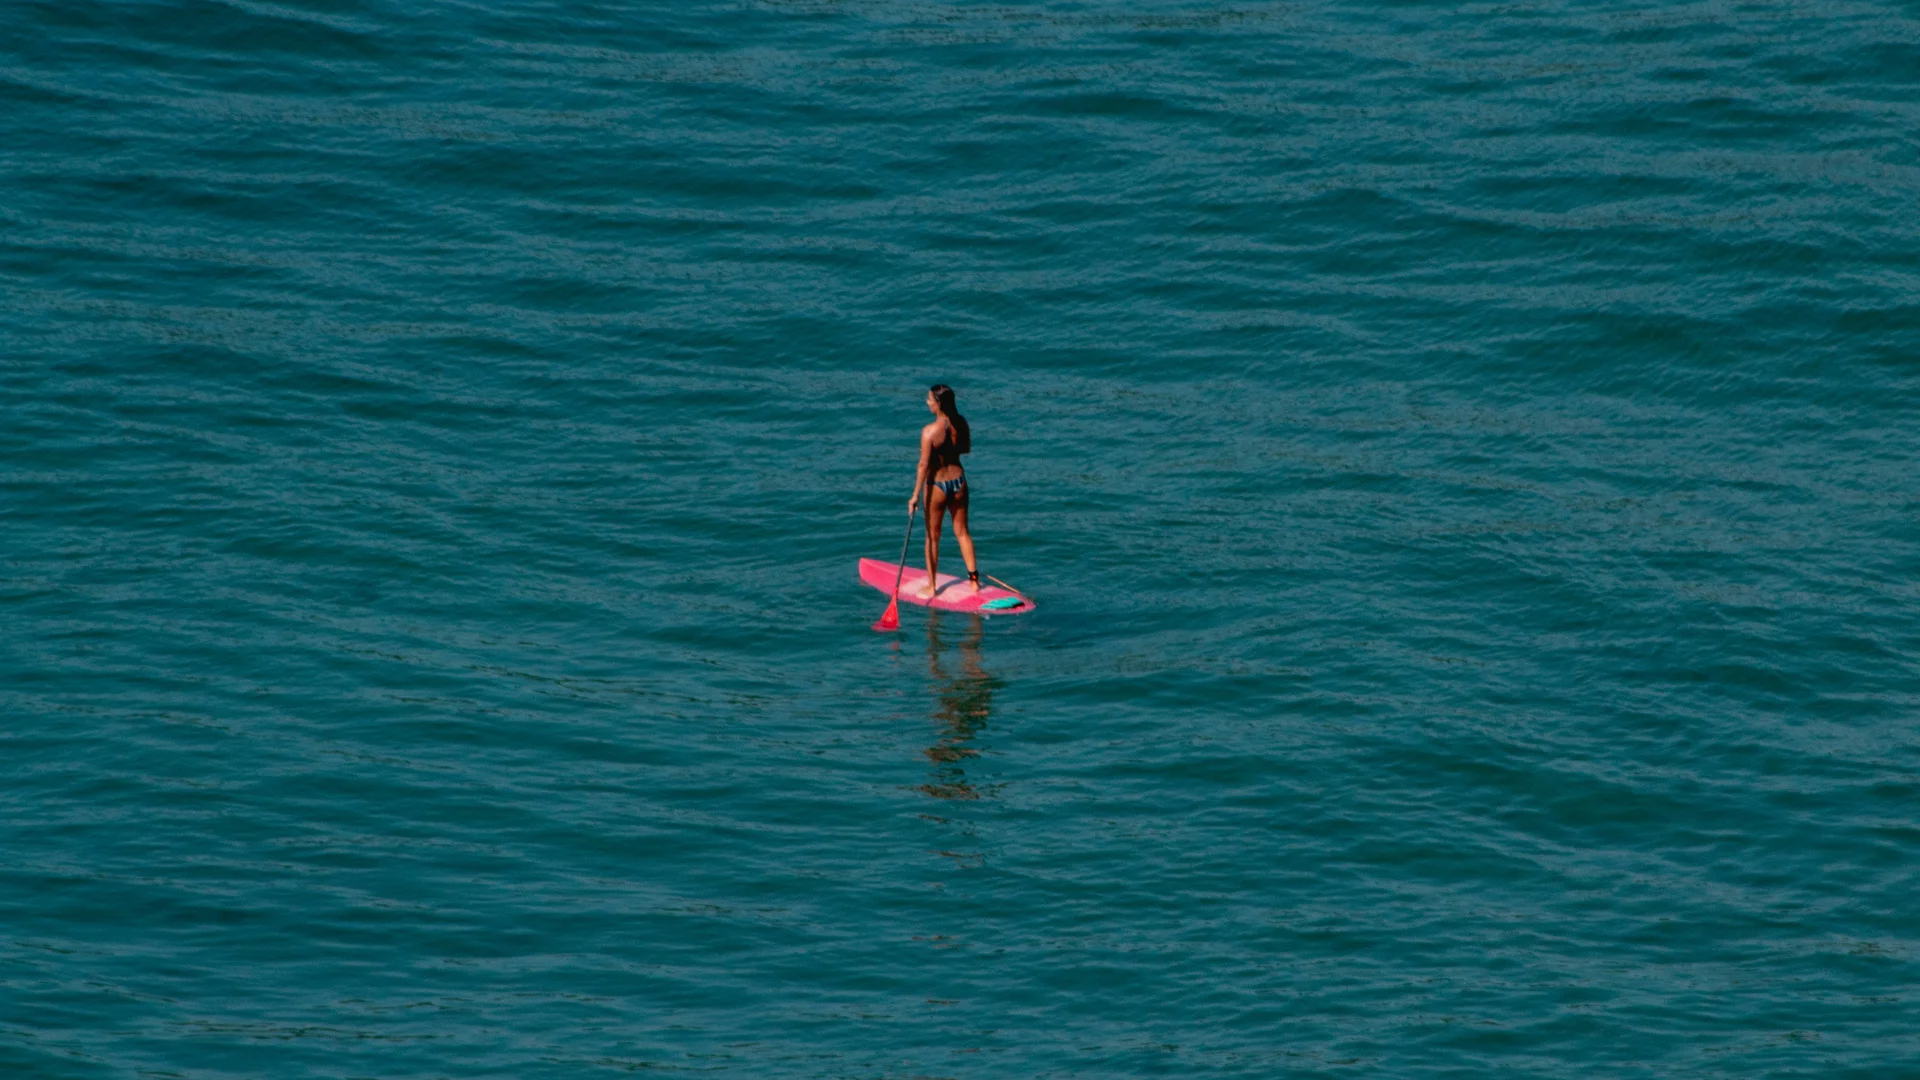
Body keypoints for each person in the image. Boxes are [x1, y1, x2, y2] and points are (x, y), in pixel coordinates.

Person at [906, 383, 979, 601]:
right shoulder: (961, 423)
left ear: (938, 404)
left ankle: (932, 586)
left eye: (929, 399)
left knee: (932, 537)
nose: (927, 402)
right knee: (962, 532)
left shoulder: (929, 432)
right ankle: (974, 581)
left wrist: (915, 495)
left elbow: (923, 465)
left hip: (936, 486)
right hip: (959, 482)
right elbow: (965, 449)